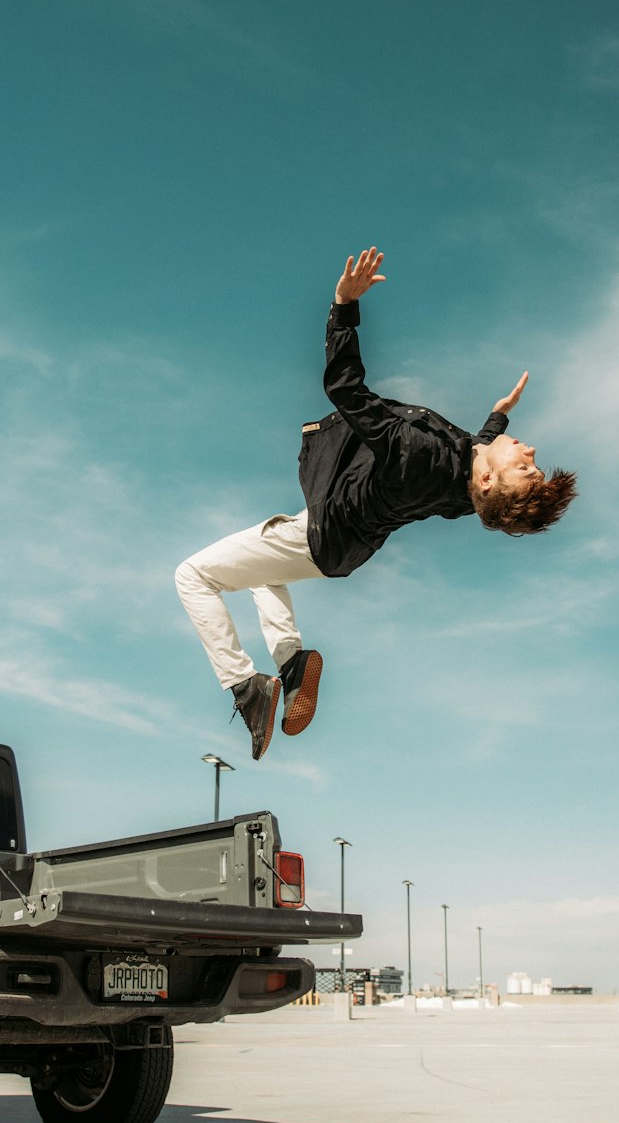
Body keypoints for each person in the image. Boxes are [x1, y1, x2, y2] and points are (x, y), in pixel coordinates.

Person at [175, 247, 576, 760]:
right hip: (341, 550)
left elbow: (346, 388)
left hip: (319, 537)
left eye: (526, 466)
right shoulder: (463, 488)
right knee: (261, 572)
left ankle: (245, 686)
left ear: (492, 482)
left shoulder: (419, 456)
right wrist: (497, 418)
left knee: (193, 576)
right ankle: (292, 662)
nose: (532, 451)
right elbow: (480, 454)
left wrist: (343, 305)